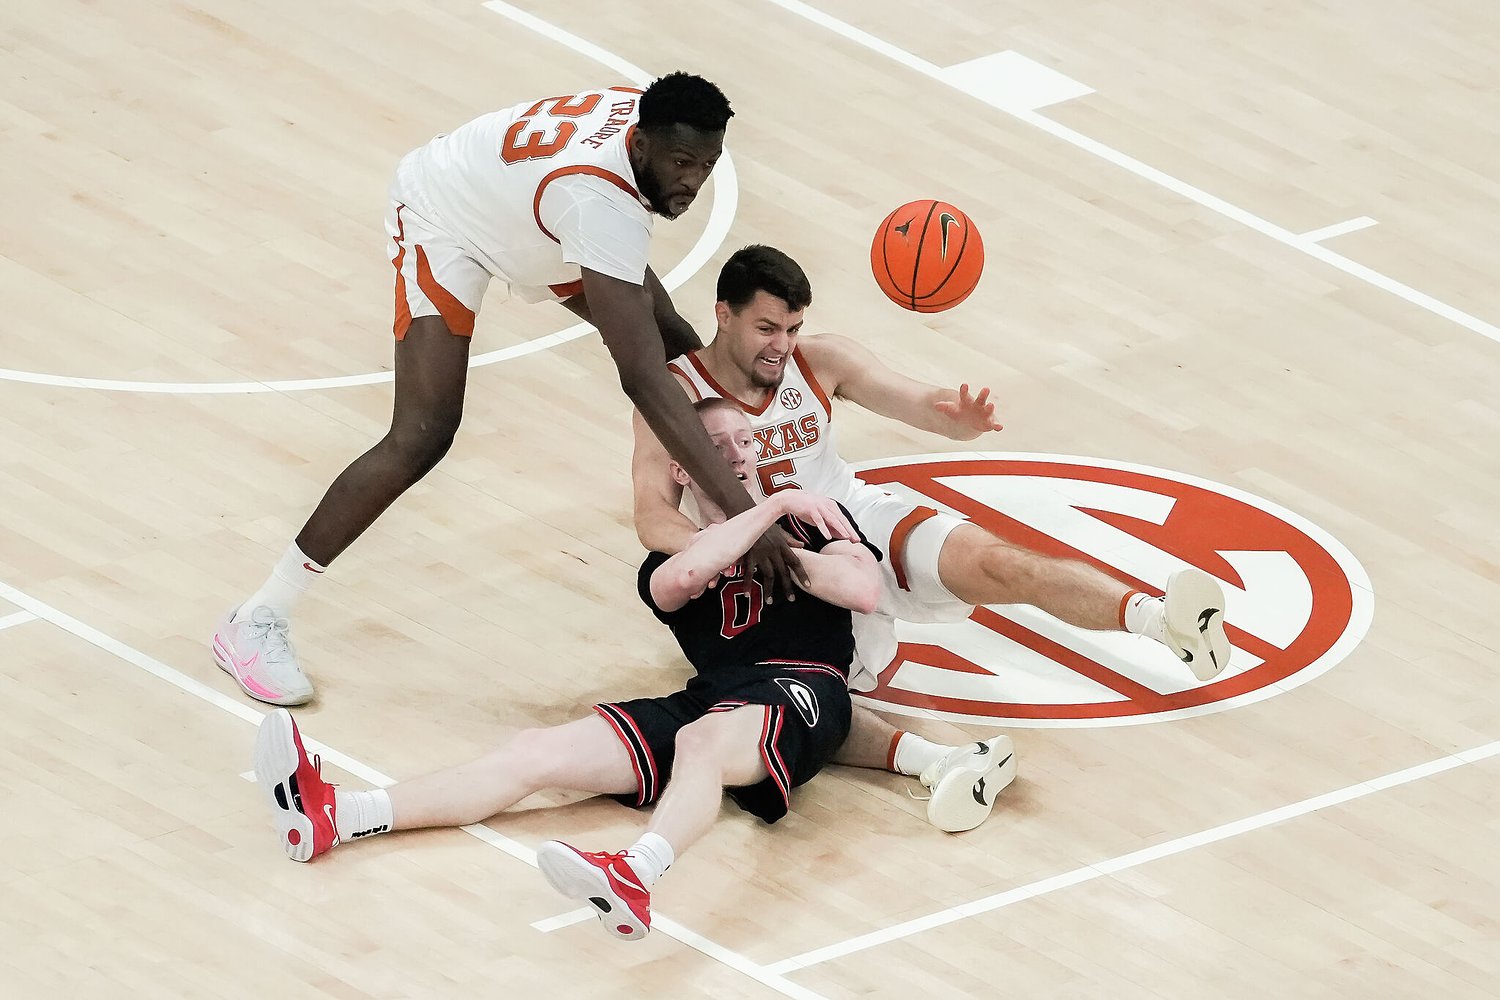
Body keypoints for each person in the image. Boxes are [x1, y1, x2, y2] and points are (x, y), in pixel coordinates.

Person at [252, 399, 1018, 942]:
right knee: (534, 752)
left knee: (702, 748)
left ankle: (637, 874)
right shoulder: (683, 551)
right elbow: (675, 584)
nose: (729, 452)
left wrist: (780, 516)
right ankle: (338, 814)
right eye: (708, 445)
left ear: (754, 449)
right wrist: (762, 511)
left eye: (738, 443)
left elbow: (856, 587)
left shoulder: (815, 517)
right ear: (682, 464)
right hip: (717, 695)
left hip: (804, 690)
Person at [214, 73, 835, 707]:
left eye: (707, 165)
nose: (692, 183)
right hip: (448, 216)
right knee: (424, 432)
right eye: (680, 163)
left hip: (532, 215)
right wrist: (747, 520)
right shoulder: (599, 204)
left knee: (677, 343)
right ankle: (258, 618)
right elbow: (640, 379)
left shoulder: (639, 138)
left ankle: (755, 500)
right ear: (640, 142)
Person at [631, 245, 1234, 712]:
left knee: (1001, 562)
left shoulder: (821, 359)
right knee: (828, 702)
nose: (782, 346)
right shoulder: (673, 397)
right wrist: (731, 547)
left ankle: (1160, 620)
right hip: (778, 570)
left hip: (851, 519)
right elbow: (652, 515)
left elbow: (918, 401)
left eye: (791, 329)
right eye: (767, 329)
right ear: (722, 315)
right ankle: (927, 761)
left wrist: (958, 417)